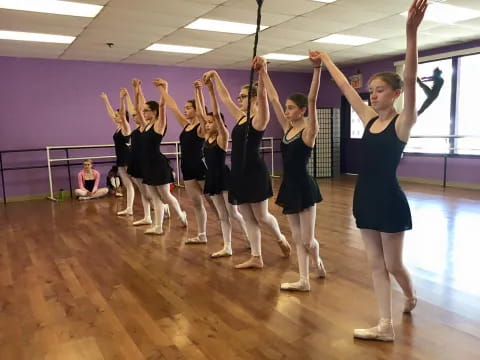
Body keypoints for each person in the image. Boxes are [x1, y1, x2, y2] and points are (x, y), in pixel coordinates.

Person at [313, 0, 426, 341]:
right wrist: (327, 60)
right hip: (364, 197)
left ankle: (409, 295)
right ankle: (386, 326)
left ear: (396, 93)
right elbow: (347, 90)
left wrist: (411, 32)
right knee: (376, 266)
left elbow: (410, 73)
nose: (373, 96)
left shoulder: (404, 122)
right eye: (372, 91)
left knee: (393, 265)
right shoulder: (368, 118)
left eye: (380, 90)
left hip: (390, 200)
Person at [203, 62, 291, 269]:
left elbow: (263, 96)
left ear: (252, 99)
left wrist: (262, 74)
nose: (238, 100)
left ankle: (280, 238)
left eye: (242, 97)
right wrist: (215, 75)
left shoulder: (260, 119)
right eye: (239, 97)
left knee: (262, 216)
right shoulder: (240, 117)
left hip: (255, 173)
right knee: (248, 217)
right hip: (238, 174)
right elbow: (224, 98)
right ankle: (256, 257)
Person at [258, 54, 326, 291]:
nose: (285, 111)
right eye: (286, 108)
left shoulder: (309, 131)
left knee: (308, 241)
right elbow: (274, 98)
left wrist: (317, 69)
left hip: (305, 187)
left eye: (290, 108)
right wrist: (263, 71)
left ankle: (317, 259)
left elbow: (313, 99)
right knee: (298, 239)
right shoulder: (287, 128)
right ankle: (304, 280)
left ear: (301, 110)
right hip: (289, 186)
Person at [194, 79, 250, 257]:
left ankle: (249, 238)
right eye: (207, 123)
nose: (208, 124)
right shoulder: (206, 138)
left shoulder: (222, 137)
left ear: (219, 124)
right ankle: (227, 246)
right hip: (211, 178)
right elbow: (201, 115)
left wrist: (211, 91)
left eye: (212, 122)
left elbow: (216, 114)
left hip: (224, 177)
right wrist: (198, 91)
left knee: (233, 212)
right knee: (222, 215)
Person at [156, 78, 210, 244]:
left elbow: (202, 113)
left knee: (215, 206)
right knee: (197, 204)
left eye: (188, 108)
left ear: (196, 110)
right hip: (187, 169)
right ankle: (202, 235)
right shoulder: (186, 125)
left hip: (201, 169)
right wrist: (163, 89)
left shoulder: (201, 127)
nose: (185, 110)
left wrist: (198, 92)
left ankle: (236, 234)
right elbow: (172, 106)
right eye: (185, 108)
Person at [131, 78, 187, 235]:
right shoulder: (145, 125)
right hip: (147, 166)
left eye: (147, 110)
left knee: (166, 196)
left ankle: (181, 215)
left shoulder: (159, 124)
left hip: (158, 165)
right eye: (144, 111)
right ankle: (158, 226)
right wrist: (137, 90)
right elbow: (137, 106)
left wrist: (165, 87)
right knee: (154, 197)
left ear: (154, 112)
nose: (143, 113)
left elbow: (163, 106)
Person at [100, 91, 135, 211]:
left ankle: (159, 204)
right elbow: (111, 114)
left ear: (123, 117)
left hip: (128, 160)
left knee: (142, 186)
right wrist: (106, 100)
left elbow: (123, 116)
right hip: (120, 160)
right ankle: (129, 208)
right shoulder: (118, 128)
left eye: (118, 115)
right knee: (128, 185)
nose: (115, 116)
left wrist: (122, 99)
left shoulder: (126, 128)